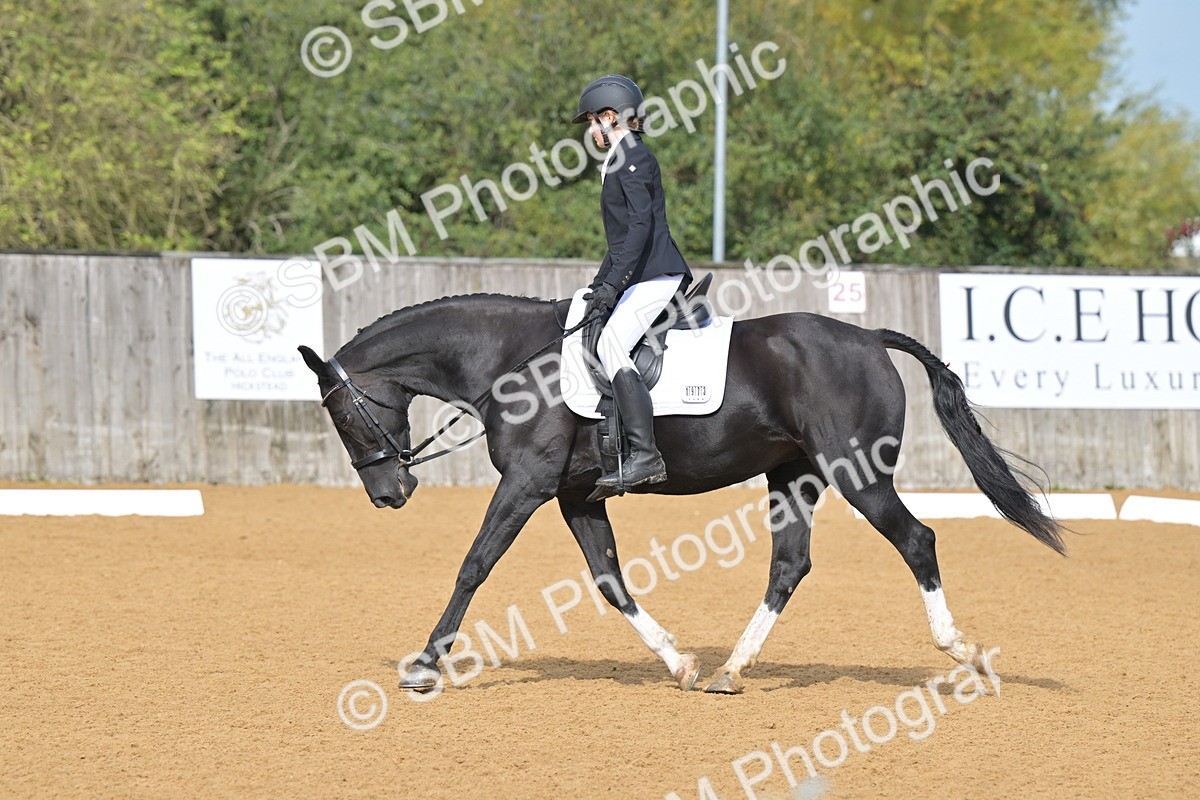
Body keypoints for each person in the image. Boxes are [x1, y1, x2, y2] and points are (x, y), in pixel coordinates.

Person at [571, 74, 693, 498]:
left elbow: (641, 229)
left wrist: (615, 284)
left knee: (610, 346)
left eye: (592, 122)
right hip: (639, 274)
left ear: (610, 117)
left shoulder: (634, 155)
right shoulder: (620, 156)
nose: (591, 131)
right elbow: (620, 240)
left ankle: (646, 454)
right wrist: (601, 285)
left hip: (657, 274)